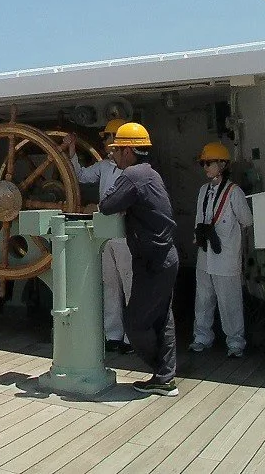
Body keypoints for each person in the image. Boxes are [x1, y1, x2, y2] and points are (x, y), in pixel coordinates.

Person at [98, 122, 179, 397]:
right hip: (164, 257)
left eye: (118, 150)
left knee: (136, 323)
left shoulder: (133, 175)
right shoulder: (149, 174)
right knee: (162, 318)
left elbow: (107, 205)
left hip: (152, 261)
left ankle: (162, 372)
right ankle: (165, 378)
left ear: (130, 150)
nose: (114, 155)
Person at [59, 119, 133, 352]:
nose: (103, 142)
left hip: (126, 236)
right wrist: (71, 150)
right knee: (109, 285)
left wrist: (97, 209)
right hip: (104, 236)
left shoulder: (131, 171)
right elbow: (79, 176)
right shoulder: (103, 167)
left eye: (107, 138)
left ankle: (133, 338)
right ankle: (113, 335)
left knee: (131, 286)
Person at [190, 141, 252, 358]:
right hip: (205, 254)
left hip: (225, 256)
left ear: (222, 164)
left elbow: (246, 220)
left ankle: (235, 342)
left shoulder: (234, 193)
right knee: (203, 300)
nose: (206, 167)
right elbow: (199, 218)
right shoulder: (203, 191)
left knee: (230, 302)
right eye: (203, 163)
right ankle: (201, 337)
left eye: (210, 162)